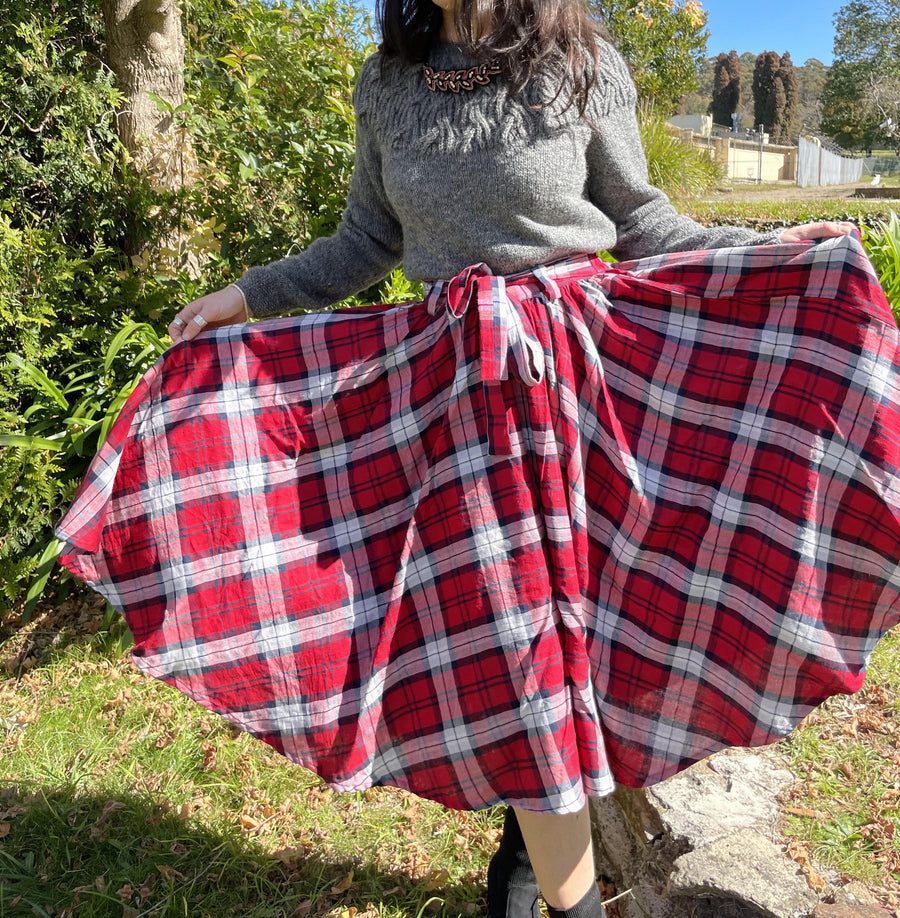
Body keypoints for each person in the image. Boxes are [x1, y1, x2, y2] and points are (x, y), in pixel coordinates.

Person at [55, 1, 900, 917]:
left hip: (579, 377)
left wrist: (769, 249)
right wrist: (246, 296)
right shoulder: (386, 83)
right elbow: (366, 244)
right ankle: (556, 892)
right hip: (455, 398)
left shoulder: (582, 62)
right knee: (512, 640)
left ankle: (525, 874)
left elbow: (647, 222)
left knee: (580, 635)